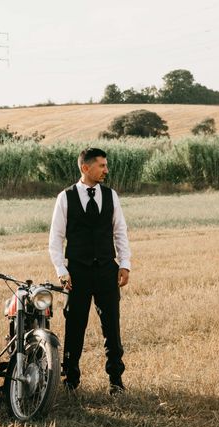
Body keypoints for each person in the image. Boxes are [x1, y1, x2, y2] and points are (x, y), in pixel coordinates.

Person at [48, 147, 131, 394]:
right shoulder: (65, 197)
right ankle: (71, 380)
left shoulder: (111, 195)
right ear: (86, 168)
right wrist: (62, 270)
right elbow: (55, 239)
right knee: (75, 326)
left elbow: (120, 232)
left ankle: (116, 380)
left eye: (106, 165)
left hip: (107, 270)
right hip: (77, 274)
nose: (106, 170)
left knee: (111, 328)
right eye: (102, 166)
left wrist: (125, 264)